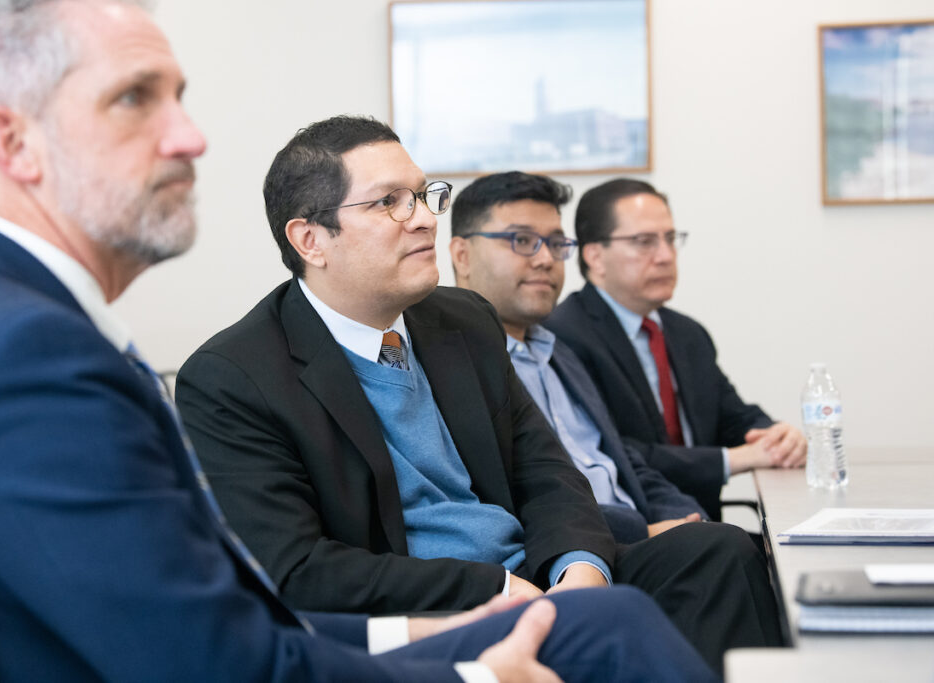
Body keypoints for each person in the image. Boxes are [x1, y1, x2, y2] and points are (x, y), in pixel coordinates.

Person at [0, 2, 718, 682]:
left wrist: (422, 640)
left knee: (653, 585)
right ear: (12, 144)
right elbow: (216, 661)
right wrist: (468, 672)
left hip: (336, 631)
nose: (191, 136)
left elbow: (227, 621)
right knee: (605, 629)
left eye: (180, 98)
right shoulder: (28, 360)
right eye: (134, 99)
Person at [176, 117, 781, 674]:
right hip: (427, 612)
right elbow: (297, 569)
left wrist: (579, 567)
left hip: (538, 575)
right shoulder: (234, 376)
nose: (423, 219)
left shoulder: (462, 319)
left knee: (717, 551)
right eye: (389, 202)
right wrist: (495, 587)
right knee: (611, 621)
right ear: (311, 239)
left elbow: (548, 472)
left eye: (421, 195)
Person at [448, 171, 709, 544]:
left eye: (555, 243)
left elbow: (624, 464)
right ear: (462, 255)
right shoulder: (453, 368)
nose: (545, 259)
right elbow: (514, 503)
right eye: (522, 240)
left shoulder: (559, 353)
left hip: (642, 540)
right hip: (579, 557)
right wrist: (647, 532)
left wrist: (685, 518)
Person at [544, 178, 807, 520]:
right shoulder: (564, 335)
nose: (666, 256)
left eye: (670, 239)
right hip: (636, 534)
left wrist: (776, 437)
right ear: (595, 255)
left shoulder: (686, 332)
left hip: (706, 526)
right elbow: (615, 452)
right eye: (644, 242)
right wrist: (734, 460)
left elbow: (733, 416)